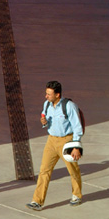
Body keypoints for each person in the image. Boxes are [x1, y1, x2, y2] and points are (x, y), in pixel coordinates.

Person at [27, 81, 83, 211]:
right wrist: (44, 122)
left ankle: (76, 195)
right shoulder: (47, 105)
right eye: (46, 93)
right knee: (44, 171)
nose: (46, 96)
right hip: (51, 141)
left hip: (67, 141)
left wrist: (76, 146)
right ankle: (37, 201)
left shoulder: (69, 106)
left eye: (49, 94)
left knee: (72, 169)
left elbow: (77, 127)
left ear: (57, 94)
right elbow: (46, 120)